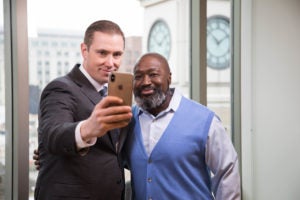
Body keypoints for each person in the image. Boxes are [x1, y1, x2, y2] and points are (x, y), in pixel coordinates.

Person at [34, 20, 133, 200]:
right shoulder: (60, 88)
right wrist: (87, 129)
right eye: (102, 53)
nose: (111, 63)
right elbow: (52, 134)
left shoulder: (113, 95)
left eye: (117, 54)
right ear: (84, 50)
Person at [123, 52, 241, 200]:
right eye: (138, 76)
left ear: (169, 78)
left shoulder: (205, 120)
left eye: (153, 74)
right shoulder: (127, 119)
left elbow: (227, 174)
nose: (146, 81)